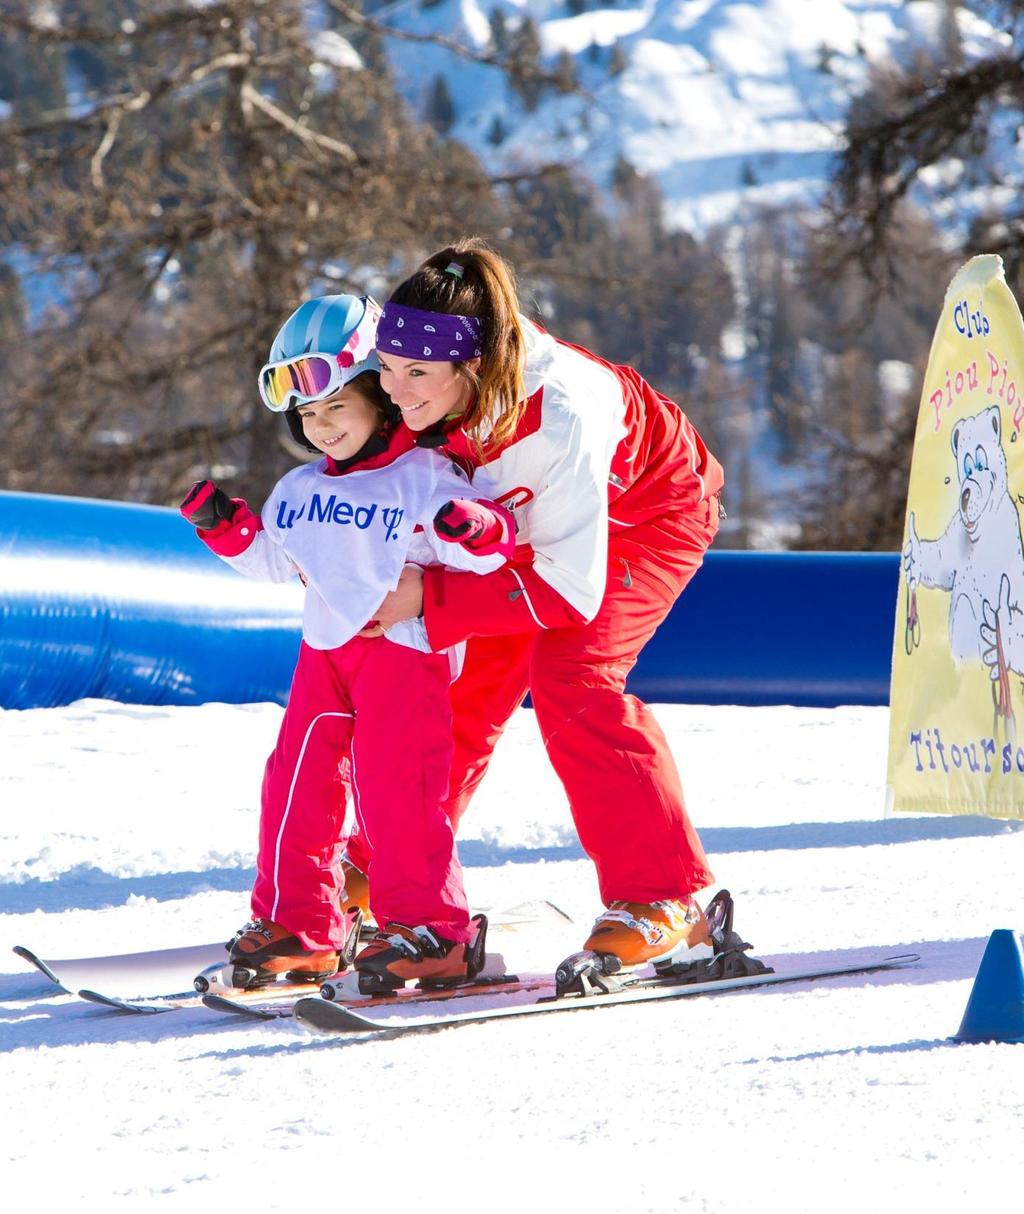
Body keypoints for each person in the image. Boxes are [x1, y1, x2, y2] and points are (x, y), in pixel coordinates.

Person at [346, 241, 725, 970]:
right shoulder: (423, 390)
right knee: (453, 692)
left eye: (416, 373)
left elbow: (568, 591)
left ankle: (663, 895)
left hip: (645, 513)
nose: (396, 389)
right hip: (516, 527)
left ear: (475, 365)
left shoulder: (559, 418)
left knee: (572, 679)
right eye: (387, 369)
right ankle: (386, 872)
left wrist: (431, 596)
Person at [178, 293, 515, 991]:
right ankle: (297, 928)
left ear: (383, 402)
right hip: (323, 656)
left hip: (404, 655)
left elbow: (484, 553)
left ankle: (431, 929)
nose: (322, 427)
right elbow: (280, 561)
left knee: (398, 791)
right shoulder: (298, 488)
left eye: (337, 408)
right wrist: (228, 530)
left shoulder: (421, 477)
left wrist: (474, 529)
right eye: (308, 415)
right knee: (295, 787)